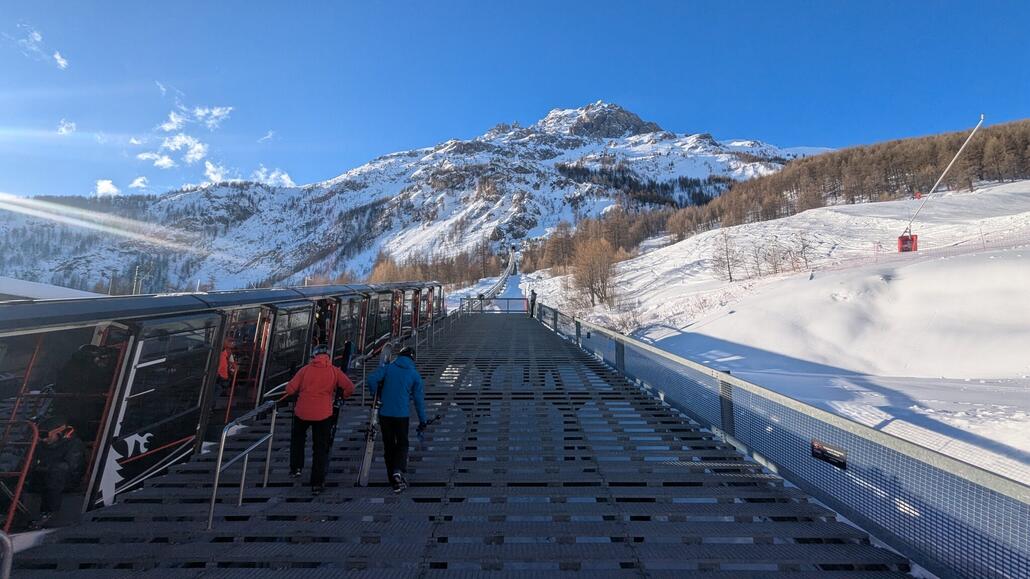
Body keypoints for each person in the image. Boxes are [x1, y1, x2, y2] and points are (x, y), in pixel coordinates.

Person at [280, 344, 354, 495]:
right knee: (320, 448)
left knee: (298, 439)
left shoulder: (304, 370)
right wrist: (341, 397)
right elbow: (350, 387)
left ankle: (296, 467)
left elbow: (289, 389)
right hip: (324, 414)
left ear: (313, 356)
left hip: (302, 412)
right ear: (328, 356)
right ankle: (317, 482)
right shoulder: (334, 371)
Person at [366, 346, 427, 493]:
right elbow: (418, 400)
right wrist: (422, 420)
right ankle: (398, 472)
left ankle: (392, 478)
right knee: (402, 443)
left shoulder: (388, 368)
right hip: (401, 415)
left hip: (385, 413)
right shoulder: (414, 374)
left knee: (389, 445)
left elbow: (371, 379)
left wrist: (376, 396)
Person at [28, 415, 86, 528]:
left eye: (44, 435)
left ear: (58, 433)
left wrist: (46, 468)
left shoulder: (74, 444)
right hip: (42, 478)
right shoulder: (40, 445)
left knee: (58, 470)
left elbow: (73, 467)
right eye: (39, 435)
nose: (42, 439)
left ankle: (48, 513)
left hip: (66, 480)